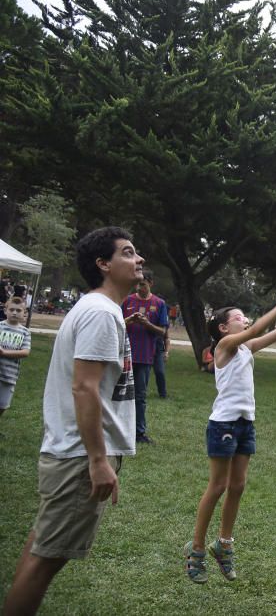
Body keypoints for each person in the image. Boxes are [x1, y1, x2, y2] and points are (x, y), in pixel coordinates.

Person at [3, 227, 141, 615]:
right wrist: (98, 460)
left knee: (41, 550)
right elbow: (84, 388)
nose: (139, 259)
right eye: (128, 253)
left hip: (73, 453)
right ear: (103, 265)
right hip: (80, 458)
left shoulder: (100, 309)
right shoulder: (99, 312)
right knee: (44, 561)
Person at [184, 275, 276, 584]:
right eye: (238, 317)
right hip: (223, 423)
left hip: (244, 424)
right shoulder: (224, 346)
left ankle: (223, 545)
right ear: (224, 328)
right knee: (218, 486)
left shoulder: (246, 349)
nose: (245, 320)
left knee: (237, 486)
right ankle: (196, 549)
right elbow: (257, 329)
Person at [121, 269, 170, 442]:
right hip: (123, 354)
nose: (139, 287)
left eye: (142, 284)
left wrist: (147, 323)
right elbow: (116, 324)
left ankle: (138, 432)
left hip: (144, 355)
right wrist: (129, 320)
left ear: (150, 283)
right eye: (137, 284)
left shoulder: (159, 303)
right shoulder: (127, 300)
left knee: (140, 396)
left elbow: (162, 331)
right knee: (118, 392)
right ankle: (117, 428)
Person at [0, 296, 32, 418]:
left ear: (24, 313)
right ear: (5, 310)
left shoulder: (25, 332)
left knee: (3, 405)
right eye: (11, 309)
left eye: (18, 310)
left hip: (9, 376)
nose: (14, 312)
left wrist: (4, 353)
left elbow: (25, 352)